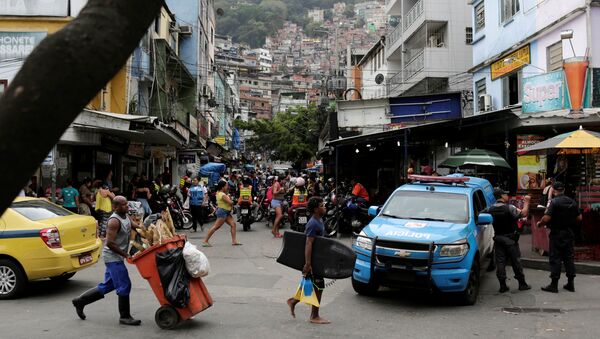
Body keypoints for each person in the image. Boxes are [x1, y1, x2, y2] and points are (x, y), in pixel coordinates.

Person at [71, 196, 142, 326]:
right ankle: (124, 317)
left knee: (109, 285)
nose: (127, 206)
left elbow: (134, 226)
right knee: (124, 285)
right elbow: (109, 243)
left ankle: (80, 301)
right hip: (112, 258)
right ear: (115, 207)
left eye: (127, 204)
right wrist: (125, 255)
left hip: (117, 256)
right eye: (123, 205)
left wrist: (146, 230)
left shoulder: (126, 216)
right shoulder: (114, 221)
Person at [286, 196, 330, 325]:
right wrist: (308, 264)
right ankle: (314, 316)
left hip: (318, 259)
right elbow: (308, 243)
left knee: (310, 284)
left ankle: (293, 301)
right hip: (313, 261)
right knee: (318, 286)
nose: (325, 207)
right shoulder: (313, 223)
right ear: (316, 209)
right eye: (322, 205)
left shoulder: (319, 220)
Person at [537, 182, 581, 293]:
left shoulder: (554, 202)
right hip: (569, 233)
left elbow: (546, 218)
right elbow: (579, 218)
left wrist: (539, 224)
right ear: (564, 189)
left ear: (554, 190)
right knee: (568, 258)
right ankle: (571, 284)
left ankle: (554, 284)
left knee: (555, 257)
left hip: (557, 234)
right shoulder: (572, 201)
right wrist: (570, 222)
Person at [485, 188, 531, 293]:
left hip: (498, 238)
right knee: (516, 261)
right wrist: (527, 202)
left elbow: (481, 216)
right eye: (505, 194)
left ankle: (502, 286)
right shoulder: (509, 208)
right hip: (510, 239)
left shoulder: (490, 209)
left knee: (500, 262)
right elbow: (523, 214)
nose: (507, 196)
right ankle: (522, 284)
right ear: (501, 196)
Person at [202, 181, 242, 247]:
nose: (227, 187)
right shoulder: (222, 195)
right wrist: (235, 200)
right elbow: (230, 202)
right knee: (216, 227)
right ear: (222, 187)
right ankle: (205, 241)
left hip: (226, 212)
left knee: (233, 224)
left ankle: (234, 241)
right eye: (226, 186)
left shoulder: (221, 193)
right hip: (223, 212)